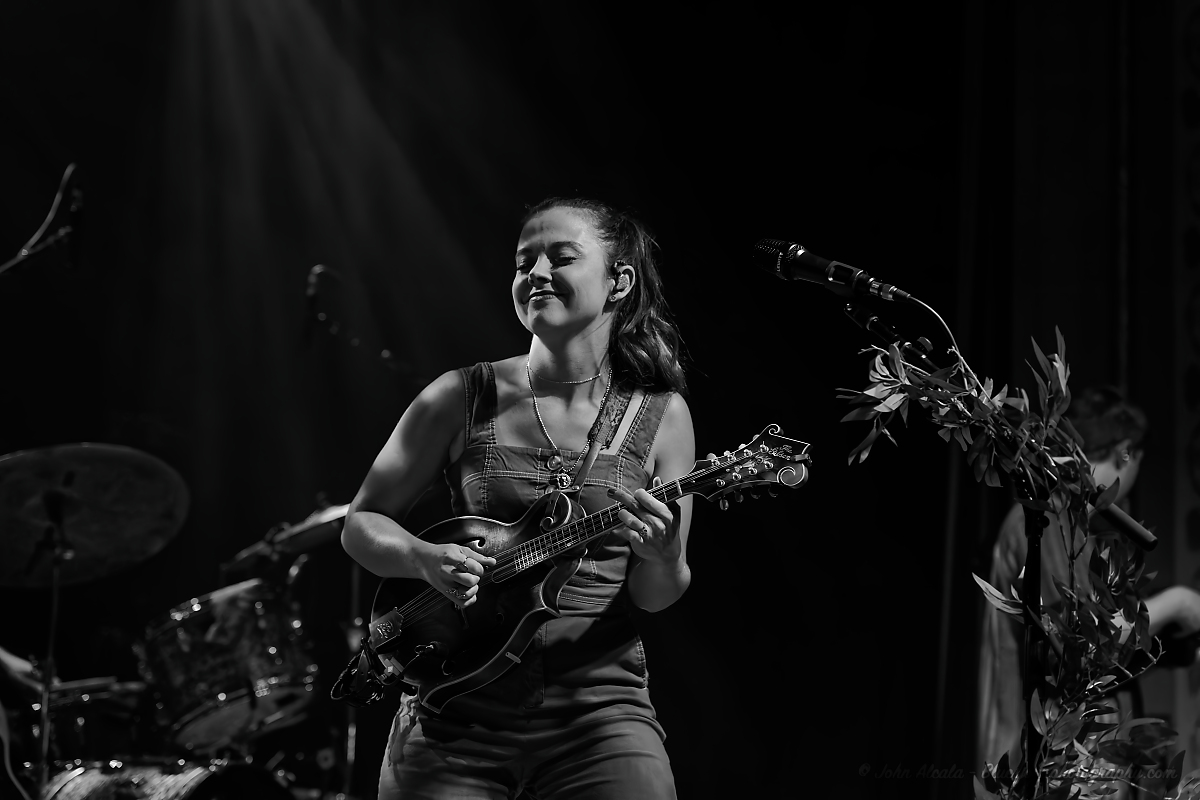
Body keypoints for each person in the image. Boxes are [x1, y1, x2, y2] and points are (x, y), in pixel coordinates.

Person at [340, 197, 695, 799]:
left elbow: (655, 595)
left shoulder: (663, 414)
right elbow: (361, 523)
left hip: (599, 715)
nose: (537, 274)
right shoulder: (460, 395)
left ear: (619, 282)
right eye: (524, 262)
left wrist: (665, 558)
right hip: (455, 710)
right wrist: (423, 559)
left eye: (562, 258)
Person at [977, 386, 1200, 770]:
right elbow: (1078, 651)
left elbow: (1101, 649)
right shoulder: (1047, 520)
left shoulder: (1075, 525)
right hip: (1039, 765)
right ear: (1125, 452)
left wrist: (1172, 642)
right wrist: (1177, 603)